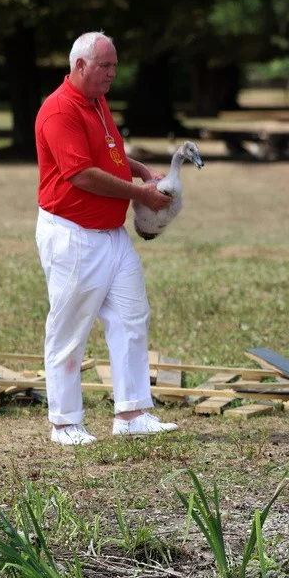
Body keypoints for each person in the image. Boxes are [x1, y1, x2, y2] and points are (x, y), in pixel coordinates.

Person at [34, 31, 179, 446]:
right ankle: (64, 422)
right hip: (73, 234)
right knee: (69, 327)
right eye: (105, 66)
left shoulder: (96, 102)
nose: (113, 73)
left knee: (132, 318)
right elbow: (81, 173)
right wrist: (141, 194)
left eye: (115, 65)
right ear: (79, 65)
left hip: (111, 235)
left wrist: (138, 169)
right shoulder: (59, 110)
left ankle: (132, 413)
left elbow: (108, 152)